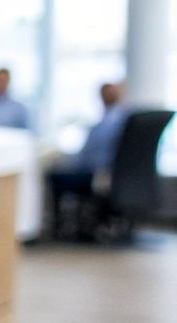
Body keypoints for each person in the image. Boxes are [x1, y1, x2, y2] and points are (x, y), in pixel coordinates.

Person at [44, 81, 131, 232]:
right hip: (119, 177)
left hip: (99, 175)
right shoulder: (125, 120)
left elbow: (88, 159)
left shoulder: (105, 125)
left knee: (55, 176)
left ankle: (57, 228)